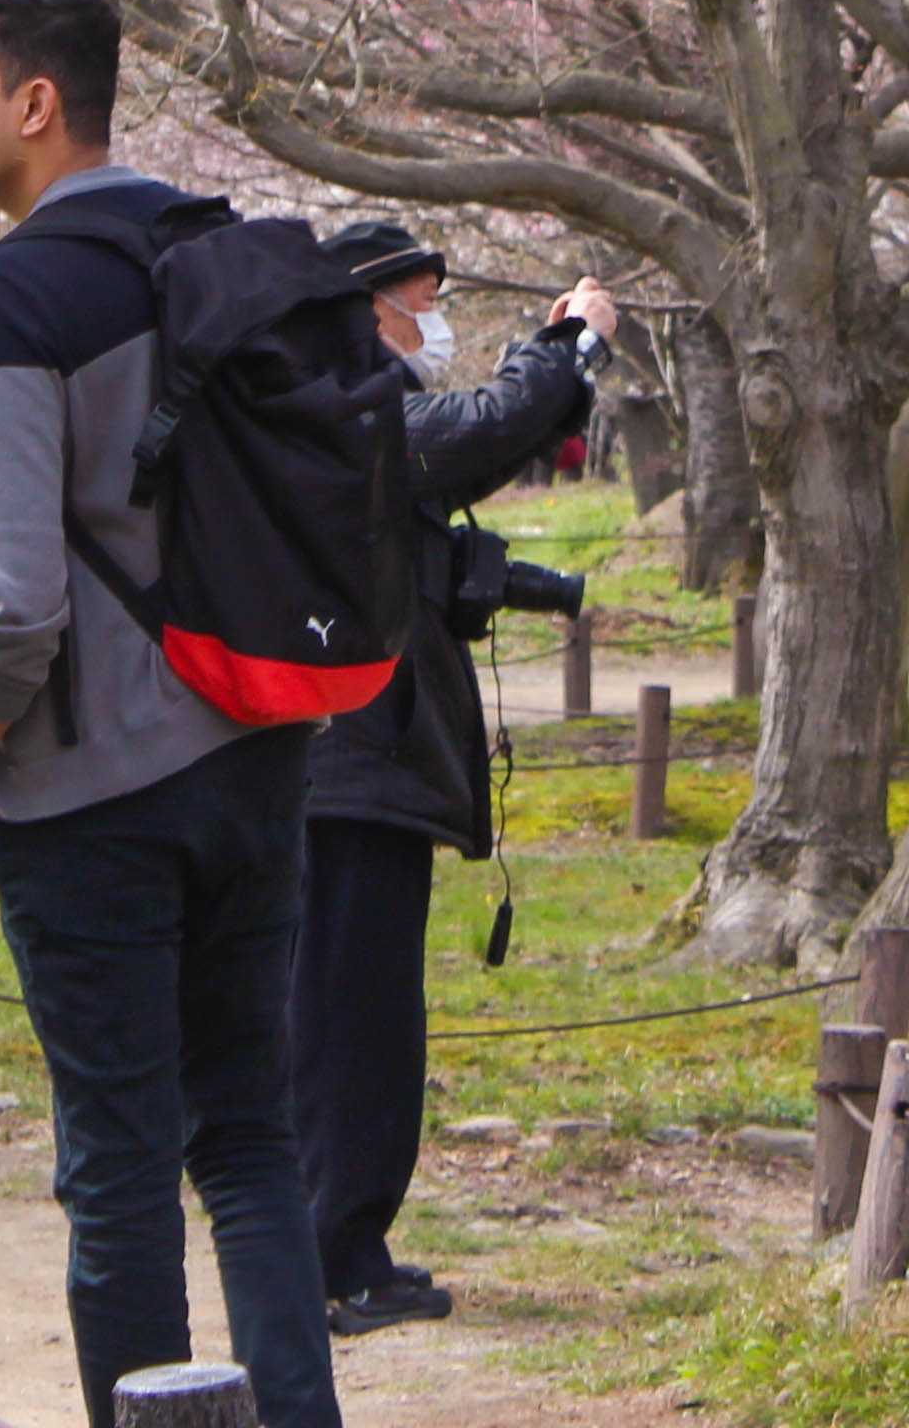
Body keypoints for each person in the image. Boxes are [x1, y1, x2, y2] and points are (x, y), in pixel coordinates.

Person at [0, 0, 341, 1428]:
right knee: (247, 1142)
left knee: (114, 1163)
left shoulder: (9, 297)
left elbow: (9, 600)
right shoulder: (215, 248)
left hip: (91, 793)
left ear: (36, 104)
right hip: (256, 756)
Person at [293, 229, 611, 1334]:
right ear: (370, 310)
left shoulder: (350, 418)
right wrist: (564, 342)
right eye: (424, 304)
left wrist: (521, 584)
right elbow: (489, 429)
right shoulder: (348, 410)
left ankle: (350, 1247)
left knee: (370, 1023)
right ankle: (325, 1257)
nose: (436, 326)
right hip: (346, 768)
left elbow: (436, 518)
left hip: (359, 765)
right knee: (345, 1024)